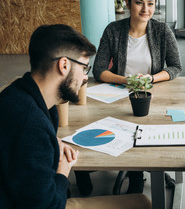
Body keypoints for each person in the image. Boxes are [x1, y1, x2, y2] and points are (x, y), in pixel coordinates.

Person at [0, 24, 151, 209]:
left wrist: (53, 142)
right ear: (64, 65)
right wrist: (63, 172)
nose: (85, 78)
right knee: (142, 203)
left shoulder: (16, 94)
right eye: (84, 69)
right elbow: (50, 206)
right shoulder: (32, 127)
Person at [77, 0, 181, 196]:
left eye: (151, 4)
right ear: (127, 4)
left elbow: (175, 67)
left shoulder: (162, 31)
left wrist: (150, 78)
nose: (146, 9)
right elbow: (99, 70)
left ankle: (136, 176)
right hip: (118, 92)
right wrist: (127, 81)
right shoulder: (114, 30)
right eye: (139, 3)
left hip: (152, 92)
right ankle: (84, 171)